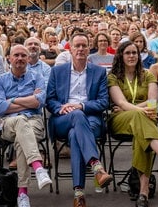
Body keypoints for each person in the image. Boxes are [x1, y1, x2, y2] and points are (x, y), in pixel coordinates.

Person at [108, 41, 158, 207]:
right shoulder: (113, 77)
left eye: (135, 53)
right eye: (128, 53)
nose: (132, 56)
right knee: (143, 120)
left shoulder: (148, 74)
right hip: (120, 121)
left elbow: (153, 101)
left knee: (143, 135)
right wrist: (139, 109)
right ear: (120, 56)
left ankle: (143, 193)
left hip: (145, 117)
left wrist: (134, 109)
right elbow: (120, 102)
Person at [46, 31, 113, 207]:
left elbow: (103, 102)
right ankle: (96, 166)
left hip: (91, 120)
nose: (81, 49)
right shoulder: (57, 71)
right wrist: (62, 108)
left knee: (76, 135)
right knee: (75, 116)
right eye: (77, 46)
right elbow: (50, 100)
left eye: (84, 46)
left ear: (89, 48)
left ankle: (79, 194)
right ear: (70, 49)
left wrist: (82, 106)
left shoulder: (99, 72)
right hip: (62, 119)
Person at [0, 44, 53, 207]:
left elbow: (39, 102)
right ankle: (38, 167)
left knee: (21, 141)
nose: (20, 58)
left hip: (34, 123)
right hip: (9, 124)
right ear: (9, 58)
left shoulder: (37, 77)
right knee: (20, 121)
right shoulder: (0, 80)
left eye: (23, 56)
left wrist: (11, 101)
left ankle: (22, 194)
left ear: (28, 59)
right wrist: (28, 102)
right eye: (16, 55)